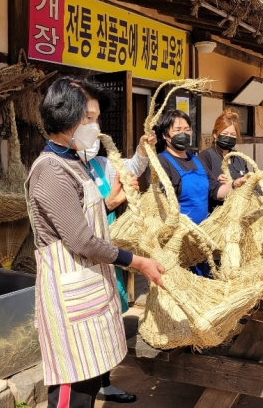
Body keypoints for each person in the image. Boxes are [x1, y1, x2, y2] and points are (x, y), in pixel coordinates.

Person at [26, 77, 165, 408]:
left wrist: (109, 203)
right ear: (64, 116)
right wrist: (139, 262)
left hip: (88, 288)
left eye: (96, 118)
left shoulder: (76, 162)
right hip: (70, 292)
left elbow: (78, 220)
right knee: (70, 387)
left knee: (88, 380)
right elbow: (81, 239)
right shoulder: (50, 170)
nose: (95, 126)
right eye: (88, 118)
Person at [79, 129, 156, 403]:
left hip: (109, 254)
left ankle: (104, 383)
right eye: (86, 119)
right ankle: (88, 387)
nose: (92, 128)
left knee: (109, 320)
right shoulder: (65, 172)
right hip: (84, 261)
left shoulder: (100, 164)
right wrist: (110, 202)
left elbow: (130, 168)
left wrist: (142, 149)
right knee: (91, 324)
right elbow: (75, 227)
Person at [150, 109, 221, 275]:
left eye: (187, 129)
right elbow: (161, 205)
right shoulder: (161, 162)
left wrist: (235, 186)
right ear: (165, 135)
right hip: (179, 241)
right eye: (177, 130)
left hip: (202, 238)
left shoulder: (196, 159)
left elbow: (215, 189)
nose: (184, 133)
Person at [198, 108, 250, 209]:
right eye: (225, 134)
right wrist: (216, 182)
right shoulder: (205, 156)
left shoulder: (239, 157)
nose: (229, 137)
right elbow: (201, 187)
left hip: (240, 211)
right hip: (216, 213)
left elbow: (249, 180)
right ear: (215, 134)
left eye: (233, 135)